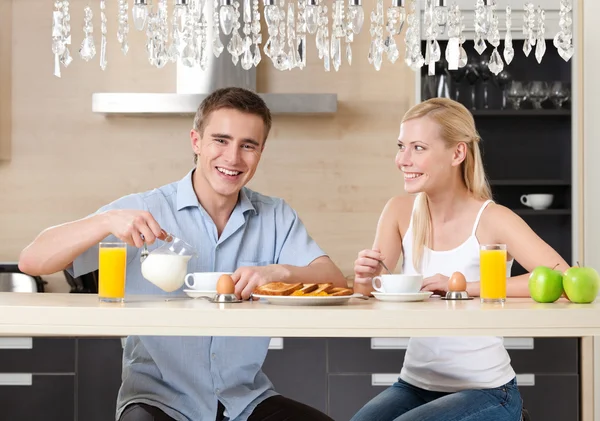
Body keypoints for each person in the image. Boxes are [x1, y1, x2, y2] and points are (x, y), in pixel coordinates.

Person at [18, 87, 347, 421]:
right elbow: (32, 260)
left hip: (244, 401)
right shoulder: (145, 209)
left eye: (248, 145)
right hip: (157, 401)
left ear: (261, 151)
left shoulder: (275, 216)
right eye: (221, 140)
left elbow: (335, 279)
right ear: (196, 142)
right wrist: (106, 220)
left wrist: (279, 273)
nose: (233, 158)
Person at [351, 97, 569, 421]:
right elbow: (371, 292)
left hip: (488, 389)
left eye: (418, 148)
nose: (402, 160)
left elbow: (561, 279)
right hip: (415, 383)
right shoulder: (399, 212)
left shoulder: (493, 218)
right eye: (401, 146)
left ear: (457, 153)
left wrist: (465, 287)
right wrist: (364, 279)